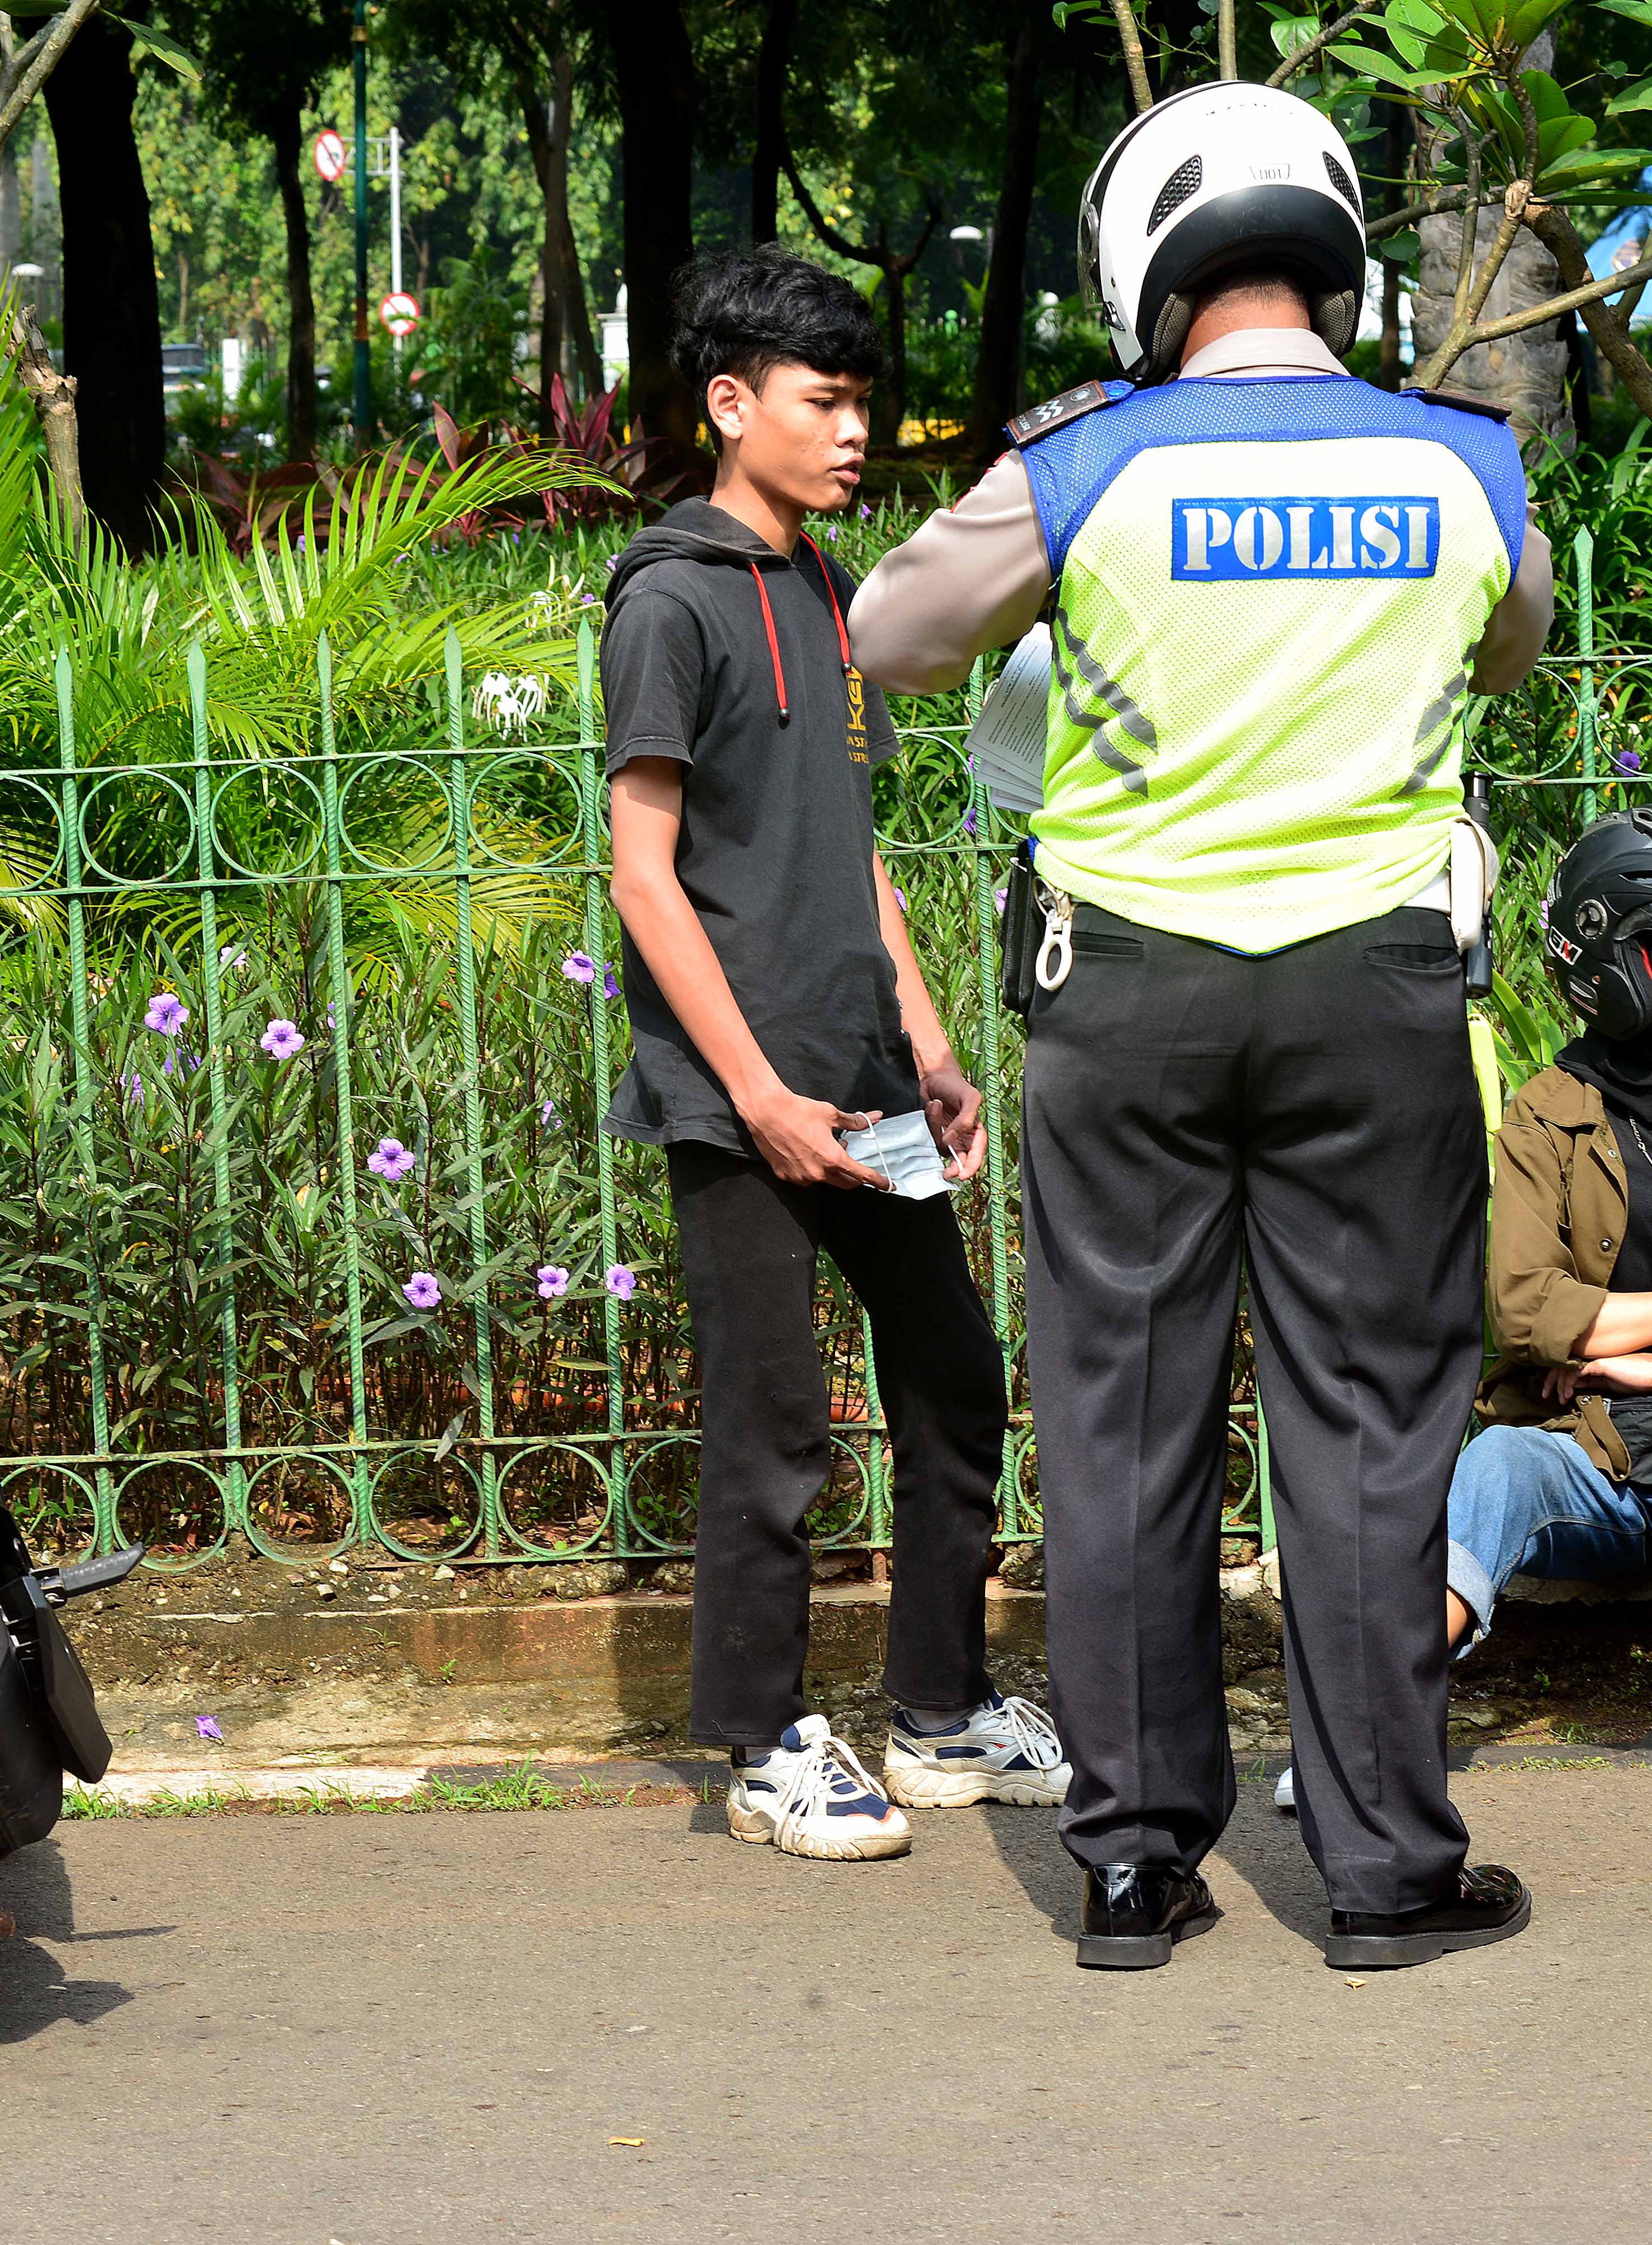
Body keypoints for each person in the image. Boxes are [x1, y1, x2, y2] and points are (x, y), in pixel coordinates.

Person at [849, 79, 1555, 1969]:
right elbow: (1513, 645)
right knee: (1366, 1429)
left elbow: (889, 635)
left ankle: (1134, 1864)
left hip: (1127, 996)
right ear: (1329, 238)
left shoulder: (1087, 464)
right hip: (1377, 994)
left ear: (1140, 257)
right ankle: (1390, 1874)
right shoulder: (1461, 462)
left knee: (1122, 1417)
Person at [602, 247, 1071, 1864]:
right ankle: (761, 1740)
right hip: (739, 1101)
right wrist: (751, 1094)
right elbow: (640, 872)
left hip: (861, 1081)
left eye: (863, 401)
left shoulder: (820, 588)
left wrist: (926, 1035)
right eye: (826, 402)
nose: (855, 430)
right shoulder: (668, 600)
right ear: (732, 406)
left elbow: (848, 844)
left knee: (953, 1381)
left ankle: (938, 1714)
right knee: (776, 1421)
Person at [1269, 808, 1652, 1813]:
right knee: (1493, 1469)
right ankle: (1362, 1736)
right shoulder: (1551, 1109)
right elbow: (1531, 1311)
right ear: (1612, 962)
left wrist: (1646, 1361)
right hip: (1592, 1460)